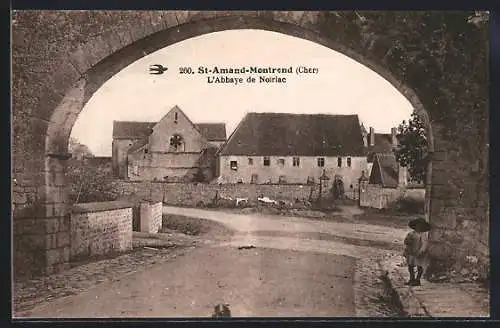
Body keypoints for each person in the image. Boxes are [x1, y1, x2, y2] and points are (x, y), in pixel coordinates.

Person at [403, 217, 431, 286]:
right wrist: (407, 242)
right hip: (411, 252)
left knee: (419, 266)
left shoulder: (423, 235)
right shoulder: (411, 234)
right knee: (410, 266)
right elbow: (406, 242)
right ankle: (411, 278)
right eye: (417, 226)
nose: (418, 227)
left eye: (420, 226)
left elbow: (425, 244)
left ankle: (417, 280)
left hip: (419, 252)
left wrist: (421, 251)